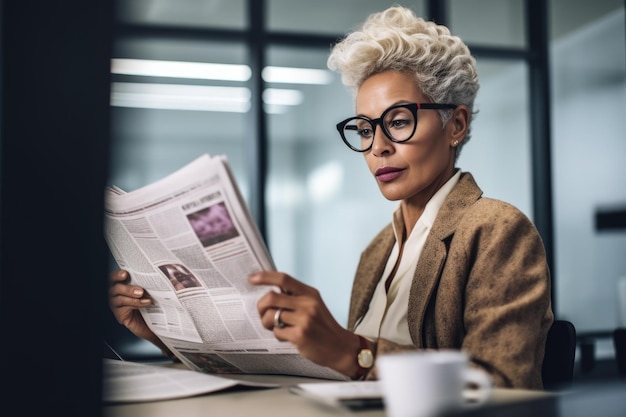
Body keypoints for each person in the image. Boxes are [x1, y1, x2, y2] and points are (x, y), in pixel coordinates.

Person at [108, 6, 554, 389]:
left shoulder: (497, 230)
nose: (378, 146)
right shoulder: (378, 250)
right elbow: (347, 379)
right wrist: (164, 332)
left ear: (455, 125)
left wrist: (352, 350)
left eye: (398, 121)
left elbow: (502, 386)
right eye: (364, 129)